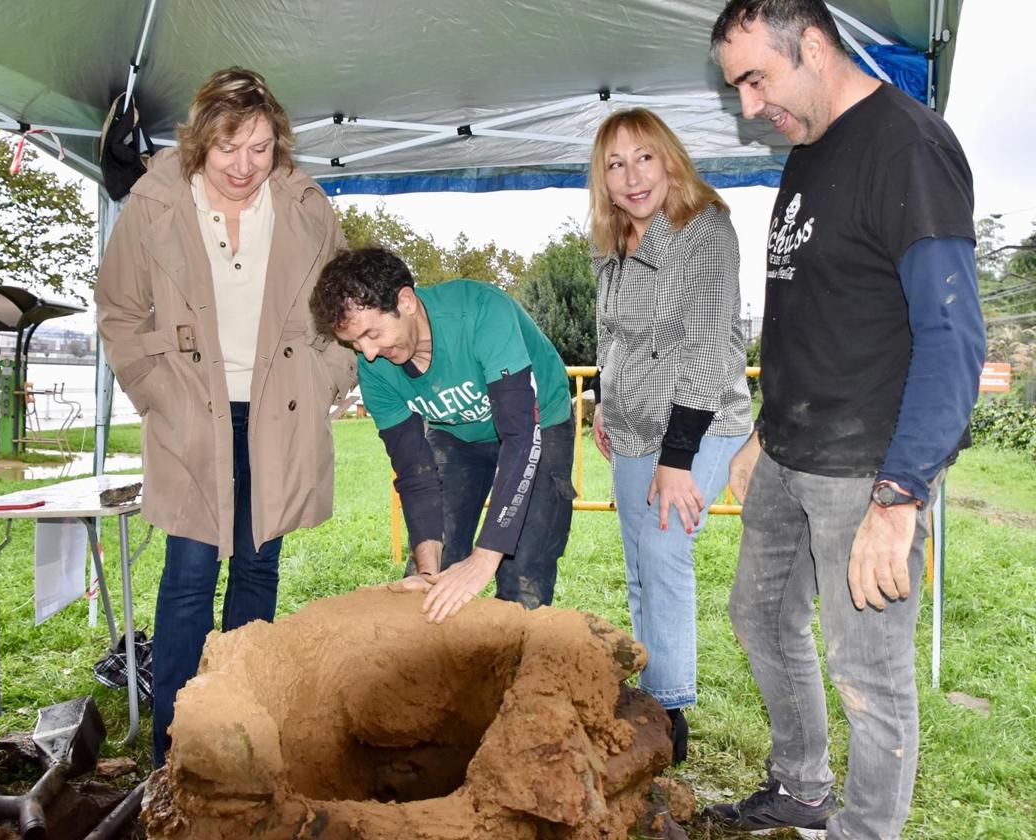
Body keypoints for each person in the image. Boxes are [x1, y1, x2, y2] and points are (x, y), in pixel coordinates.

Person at [707, 2, 985, 837]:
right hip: (791, 451)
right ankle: (800, 786)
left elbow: (952, 334)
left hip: (868, 469)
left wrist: (899, 498)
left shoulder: (908, 147)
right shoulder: (807, 150)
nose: (749, 106)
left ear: (817, 46)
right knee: (758, 615)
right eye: (736, 88)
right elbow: (815, 311)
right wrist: (764, 429)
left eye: (757, 79)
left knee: (868, 674)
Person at [94, 66, 355, 768]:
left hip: (279, 412)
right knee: (187, 575)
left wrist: (329, 376)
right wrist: (154, 390)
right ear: (200, 142)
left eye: (261, 148)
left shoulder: (305, 205)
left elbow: (342, 302)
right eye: (228, 148)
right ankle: (176, 750)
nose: (244, 166)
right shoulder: (154, 203)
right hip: (189, 414)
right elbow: (118, 311)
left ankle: (238, 734)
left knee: (257, 569)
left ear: (279, 147)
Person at [588, 108, 751, 765]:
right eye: (615, 164)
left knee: (663, 548)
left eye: (643, 157)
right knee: (639, 563)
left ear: (670, 158)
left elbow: (709, 353)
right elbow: (610, 333)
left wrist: (677, 461)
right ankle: (651, 689)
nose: (631, 176)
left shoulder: (706, 230)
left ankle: (671, 713)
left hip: (699, 421)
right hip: (630, 424)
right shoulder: (608, 237)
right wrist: (603, 398)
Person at [309, 247, 575, 624]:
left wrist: (486, 557)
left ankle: (516, 670)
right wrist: (429, 569)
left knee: (521, 575)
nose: (367, 354)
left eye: (372, 333)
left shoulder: (482, 312)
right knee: (427, 575)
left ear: (406, 301)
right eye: (355, 343)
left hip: (538, 423)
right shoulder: (375, 371)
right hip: (457, 434)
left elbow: (520, 436)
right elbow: (414, 470)